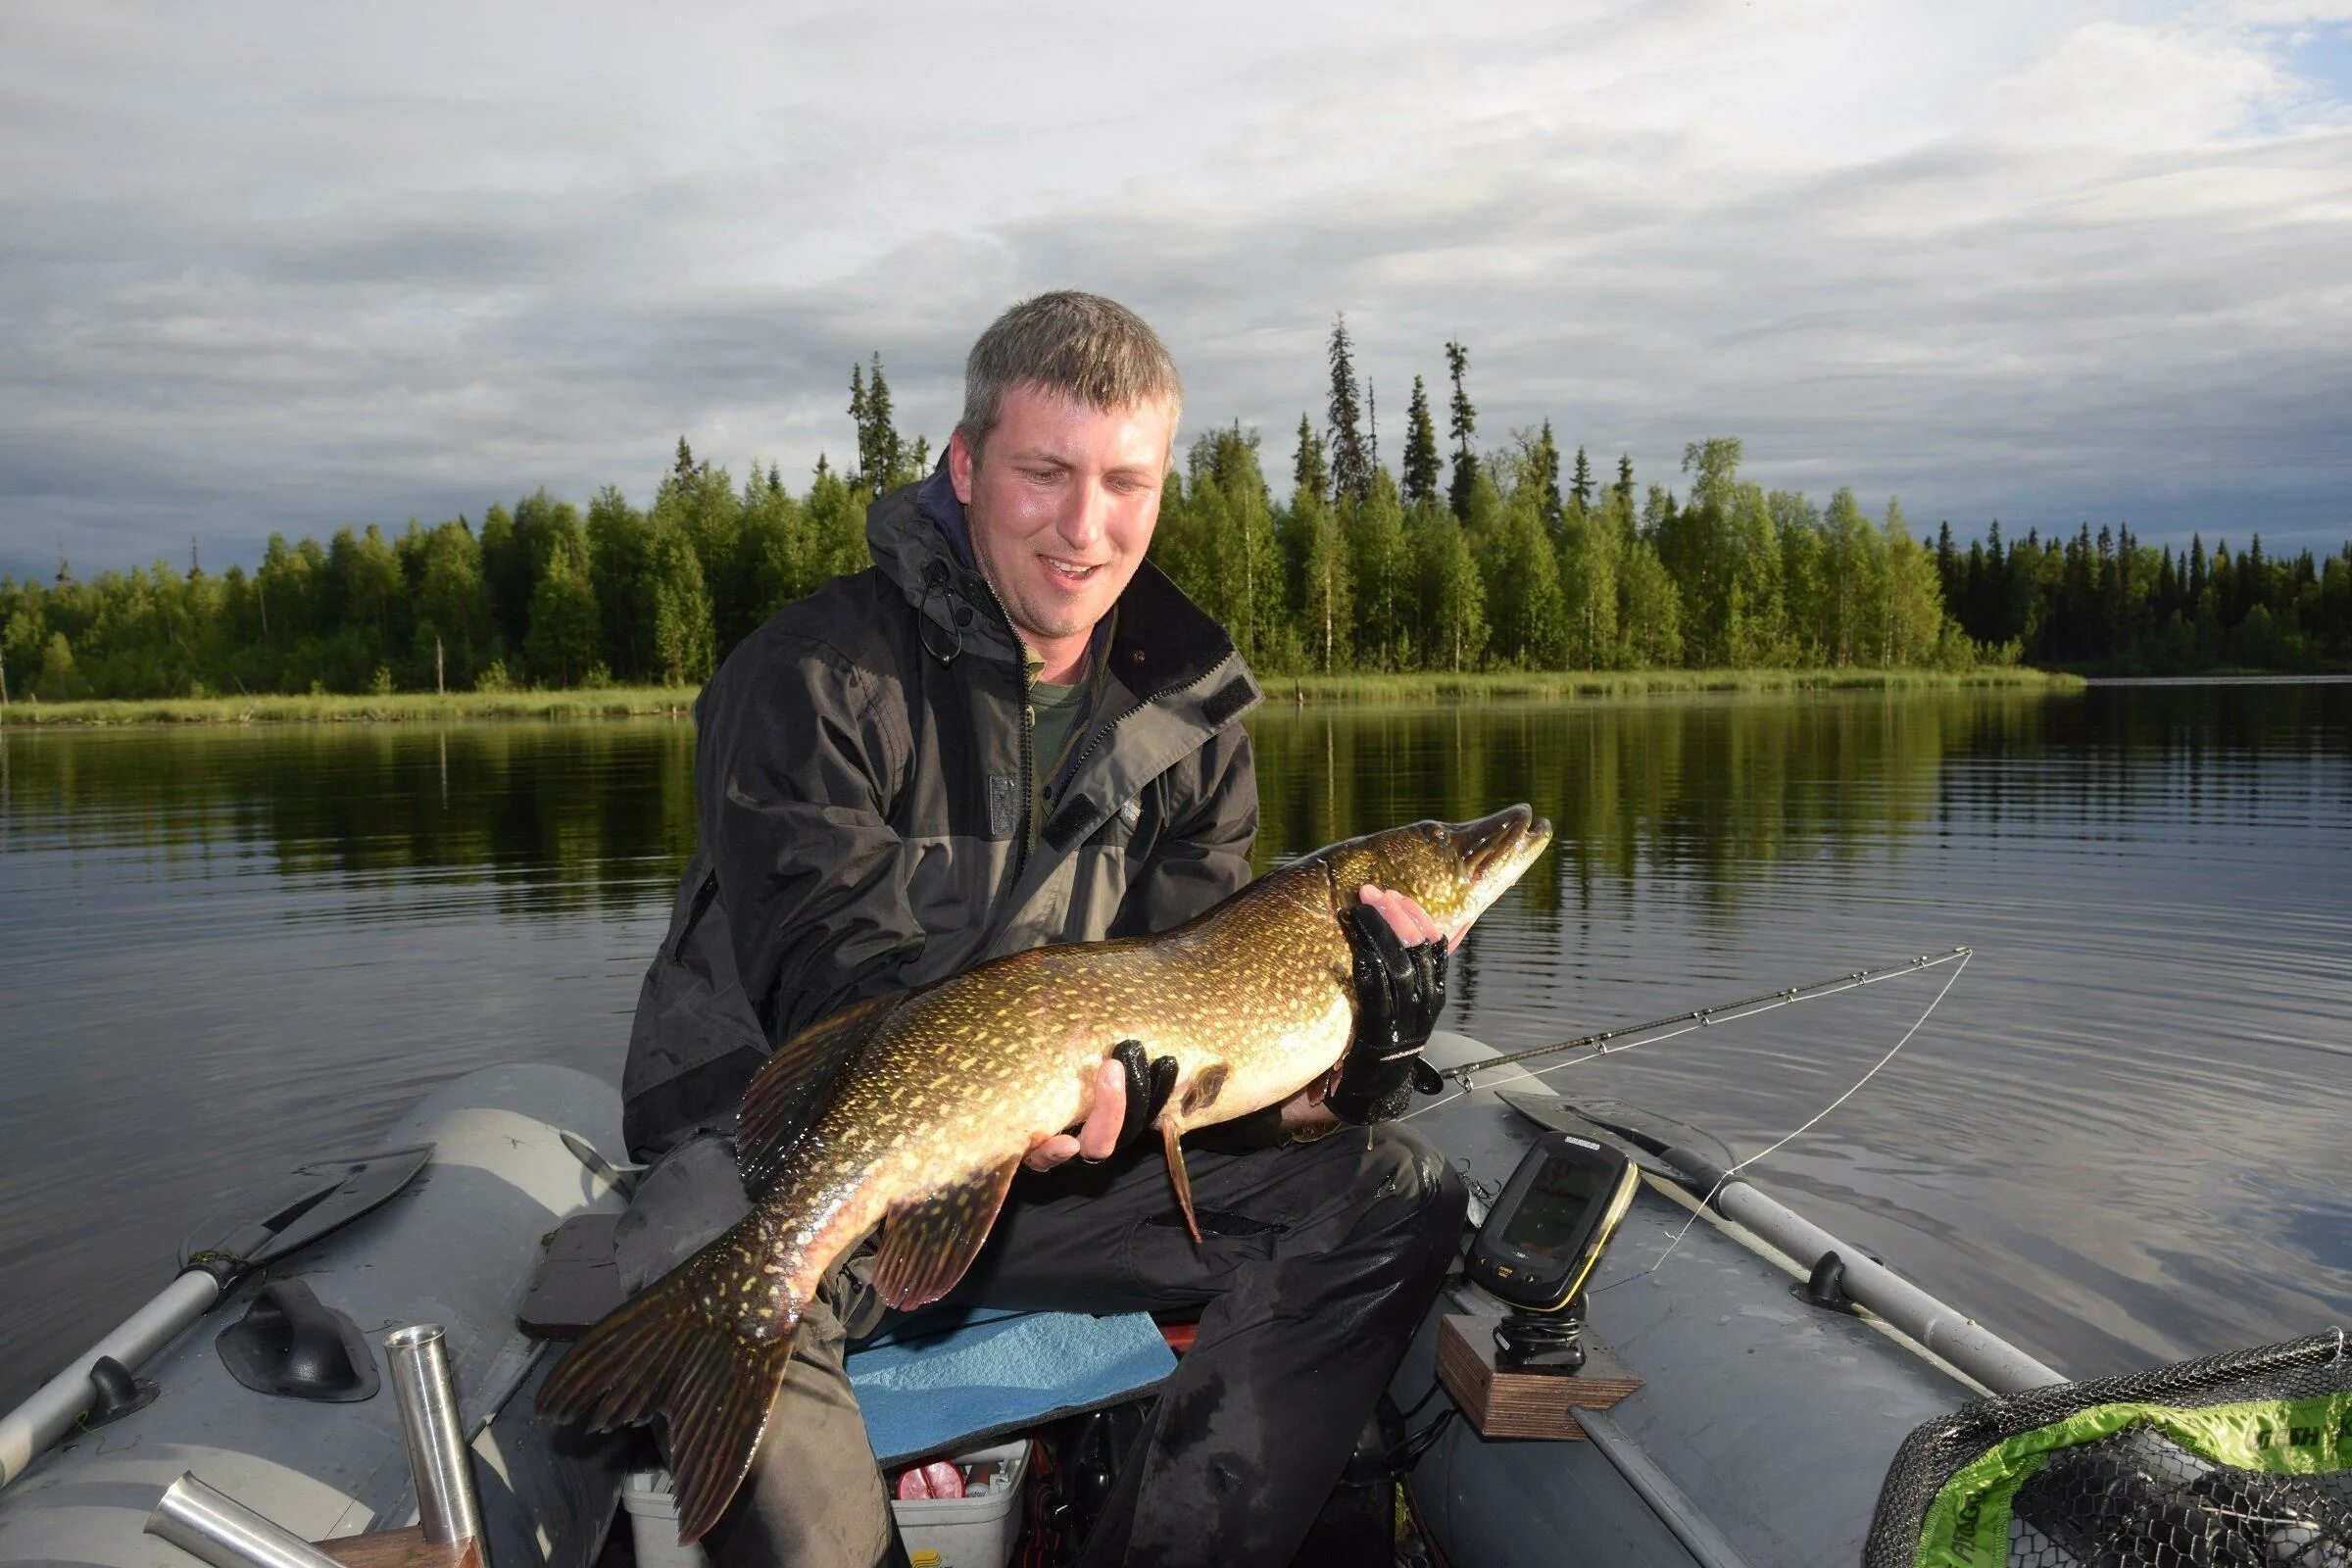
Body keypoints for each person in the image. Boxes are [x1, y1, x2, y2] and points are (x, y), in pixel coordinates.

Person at [612, 291, 1466, 1567]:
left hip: (1054, 1161)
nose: (1086, 526)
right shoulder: (807, 675)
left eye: (1127, 481)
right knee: (709, 1261)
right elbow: (827, 967)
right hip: (791, 1142)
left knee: (1391, 1195)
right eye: (1044, 473)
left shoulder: (1191, 719)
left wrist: (1364, 1056)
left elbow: (1198, 1011)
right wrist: (1015, 1087)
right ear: (964, 468)